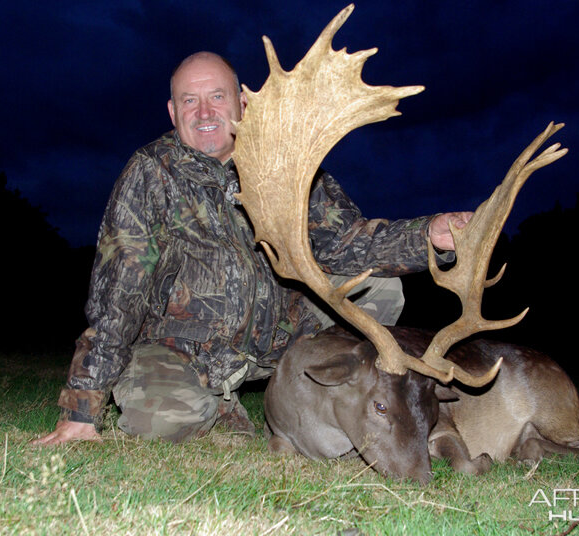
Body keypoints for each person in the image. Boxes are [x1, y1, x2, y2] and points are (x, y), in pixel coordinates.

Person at [32, 51, 472, 446]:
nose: (204, 112)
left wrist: (428, 235)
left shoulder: (283, 162)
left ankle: (329, 395)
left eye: (217, 97)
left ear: (242, 103)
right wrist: (81, 411)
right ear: (172, 111)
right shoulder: (150, 174)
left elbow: (346, 242)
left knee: (381, 288)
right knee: (160, 420)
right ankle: (221, 411)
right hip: (185, 351)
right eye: (189, 100)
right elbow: (117, 296)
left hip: (282, 340)